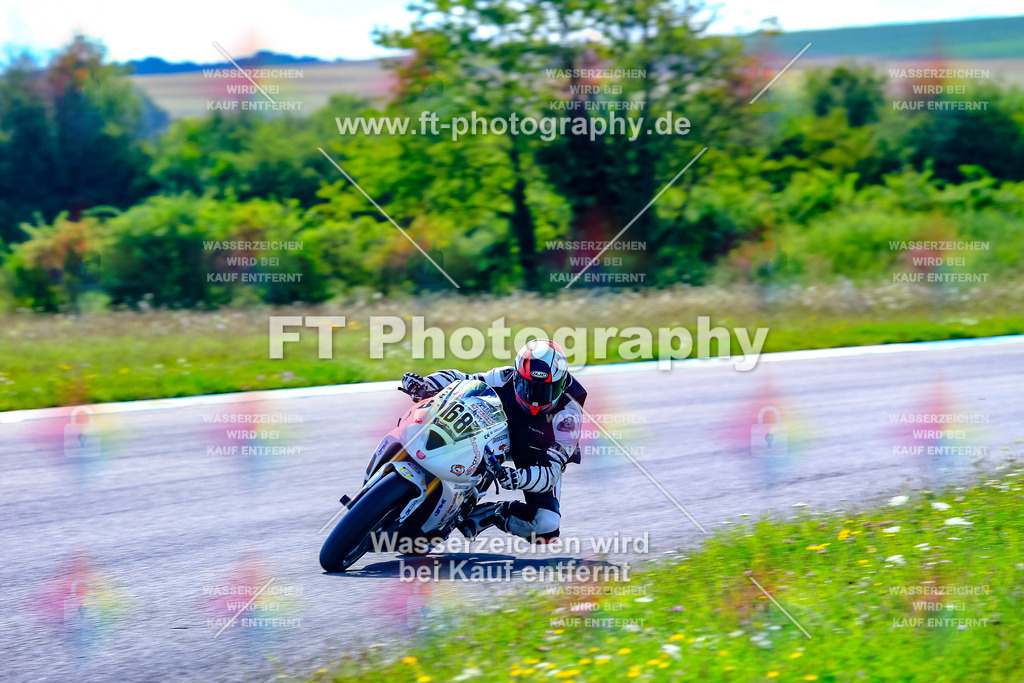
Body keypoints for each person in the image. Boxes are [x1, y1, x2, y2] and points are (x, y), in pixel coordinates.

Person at [400, 339, 586, 543]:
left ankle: (490, 514)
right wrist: (427, 384)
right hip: (498, 433)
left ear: (562, 384)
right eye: (529, 387)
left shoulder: (569, 415)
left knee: (545, 526)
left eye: (545, 391)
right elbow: (462, 380)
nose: (535, 400)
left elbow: (551, 473)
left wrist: (518, 478)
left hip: (537, 454)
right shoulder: (504, 377)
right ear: (517, 377)